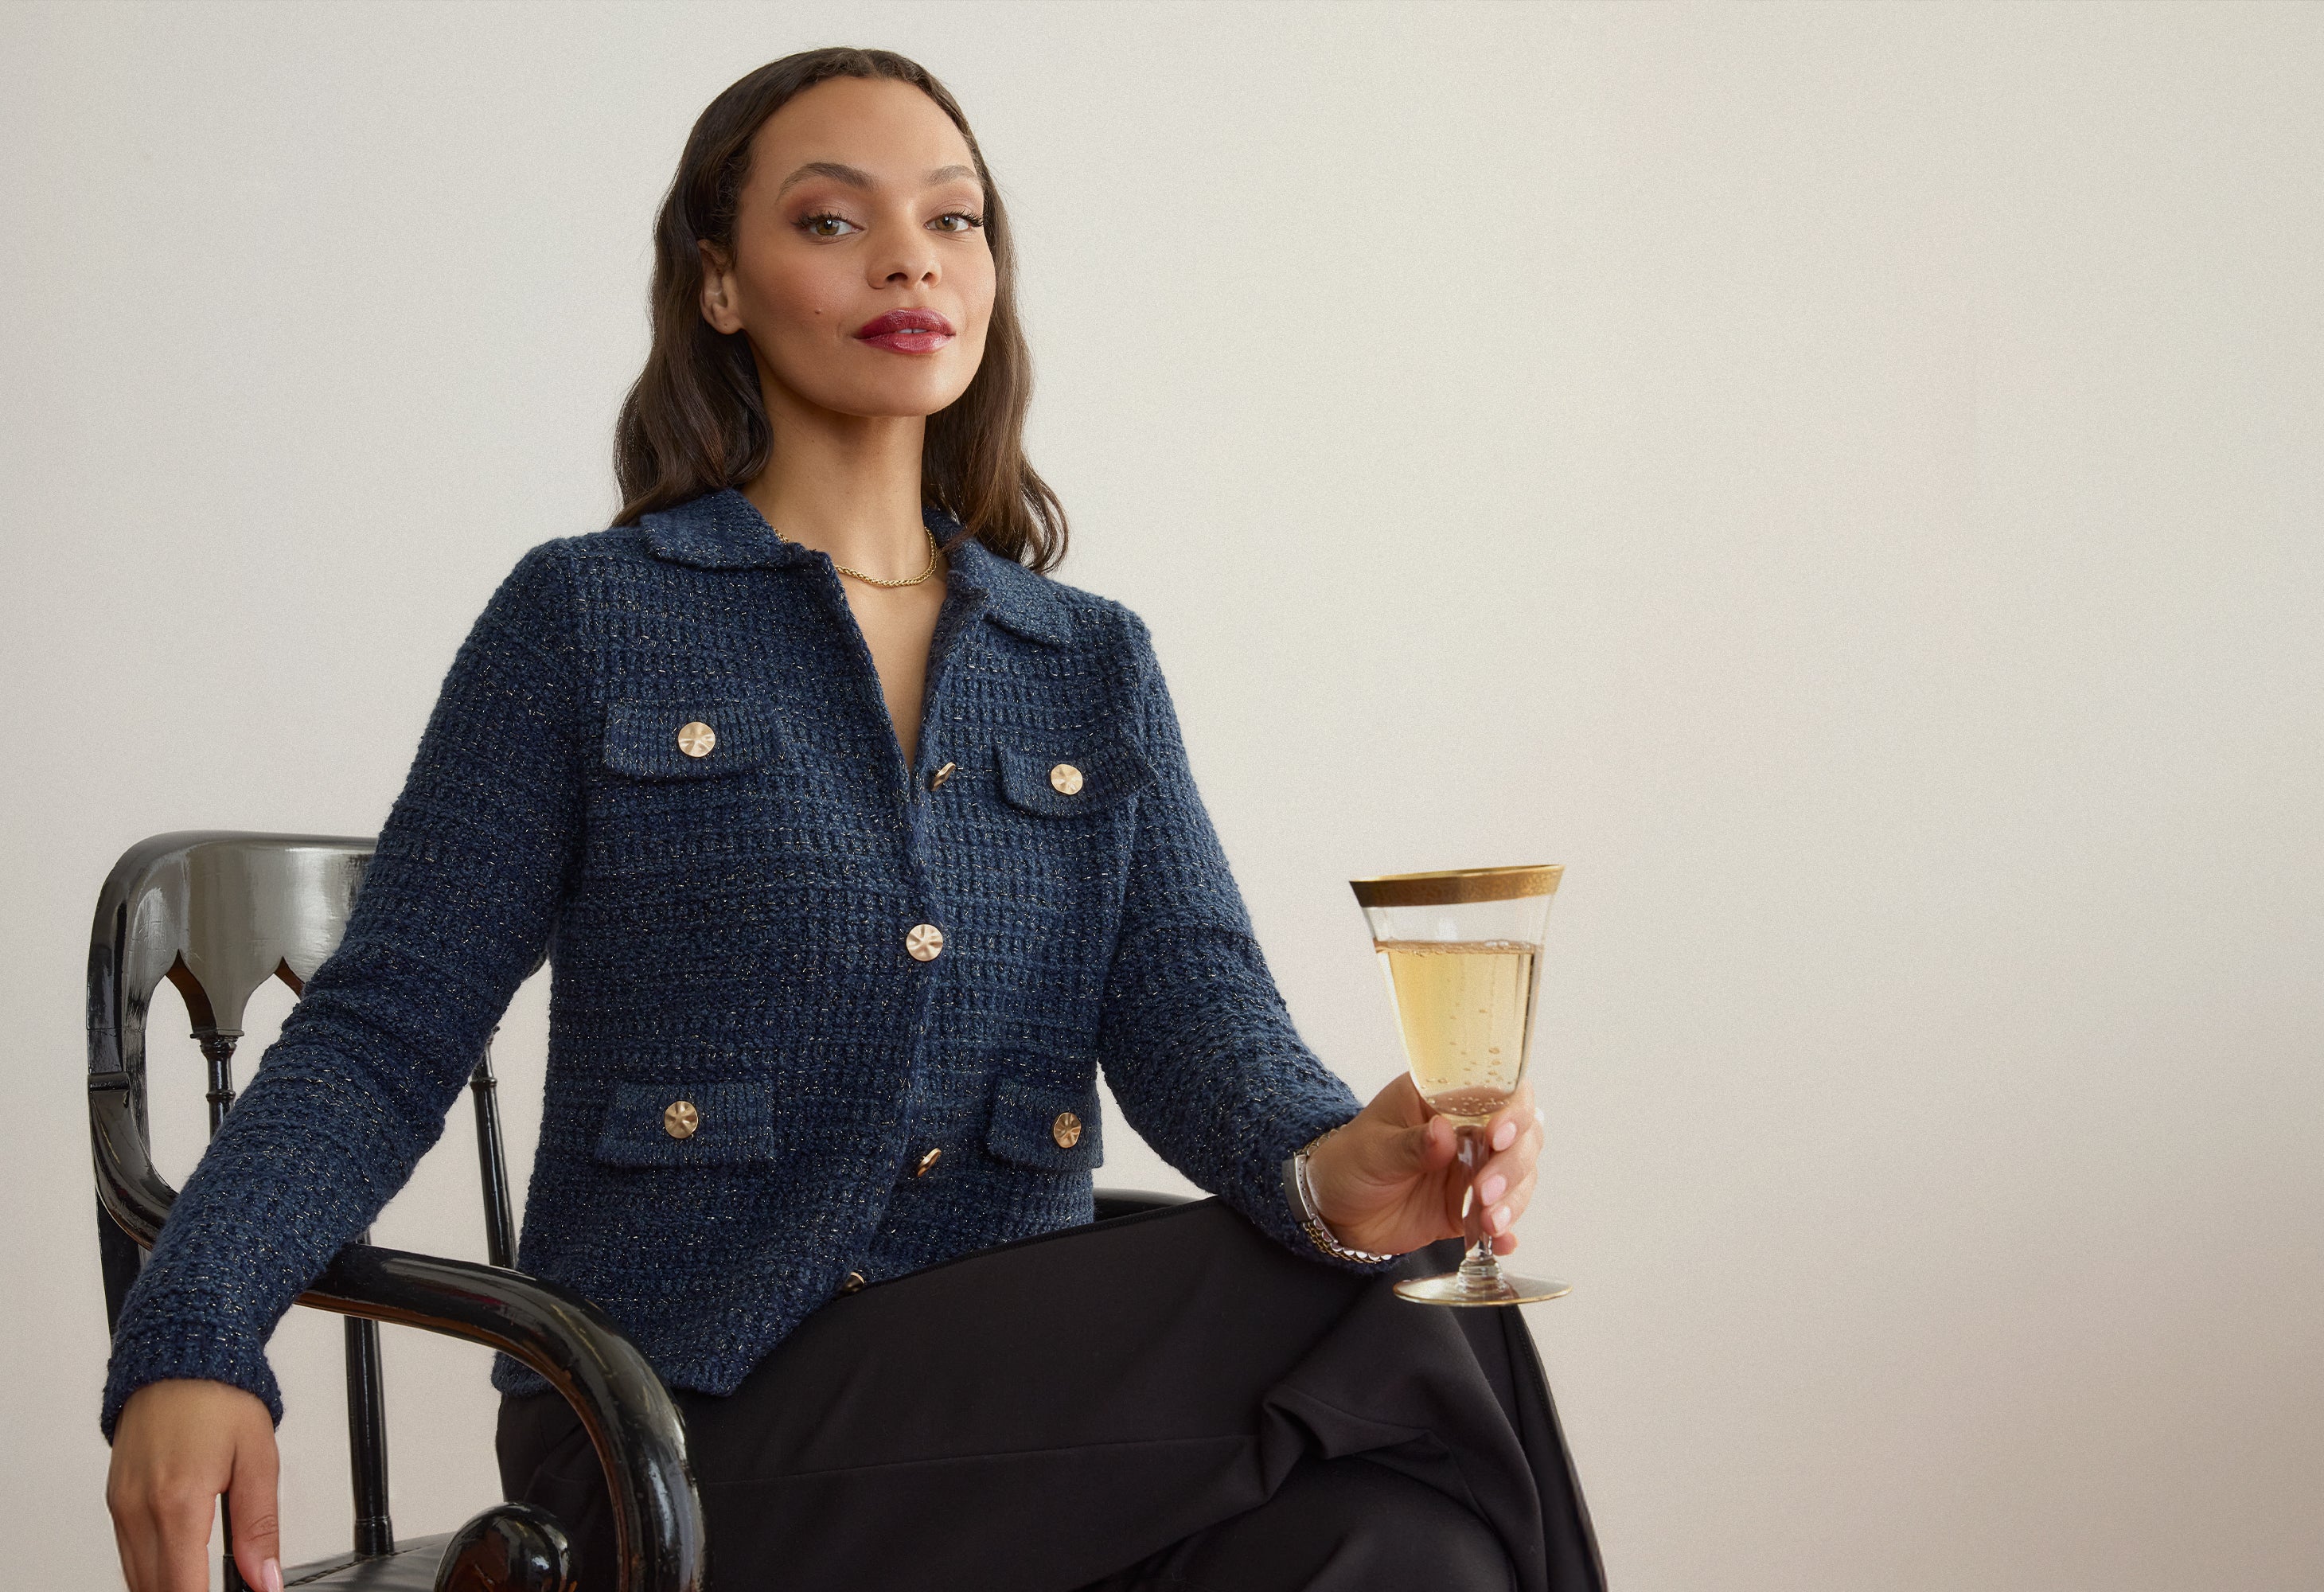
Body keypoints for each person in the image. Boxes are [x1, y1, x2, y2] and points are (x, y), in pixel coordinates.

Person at [101, 45, 1603, 1592]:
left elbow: (1208, 1028)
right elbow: (383, 1032)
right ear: (718, 284)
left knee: (1406, 1541)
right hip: (676, 1430)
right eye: (831, 221)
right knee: (1396, 1308)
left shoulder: (1090, 664)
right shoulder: (586, 619)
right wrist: (195, 1329)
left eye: (954, 221)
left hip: (1034, 1428)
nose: (909, 258)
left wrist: (1340, 1167)